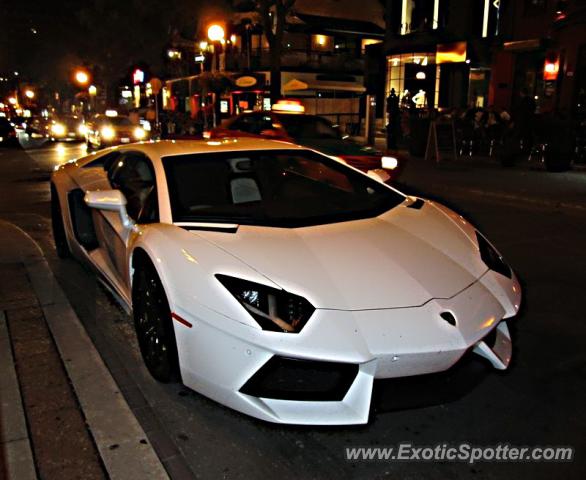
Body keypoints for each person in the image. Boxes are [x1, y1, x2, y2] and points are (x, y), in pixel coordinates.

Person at [514, 88, 536, 152]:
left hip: (522, 121)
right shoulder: (531, 101)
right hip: (529, 121)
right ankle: (527, 149)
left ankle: (519, 149)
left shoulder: (523, 101)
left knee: (519, 135)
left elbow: (520, 112)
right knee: (527, 136)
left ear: (521, 93)